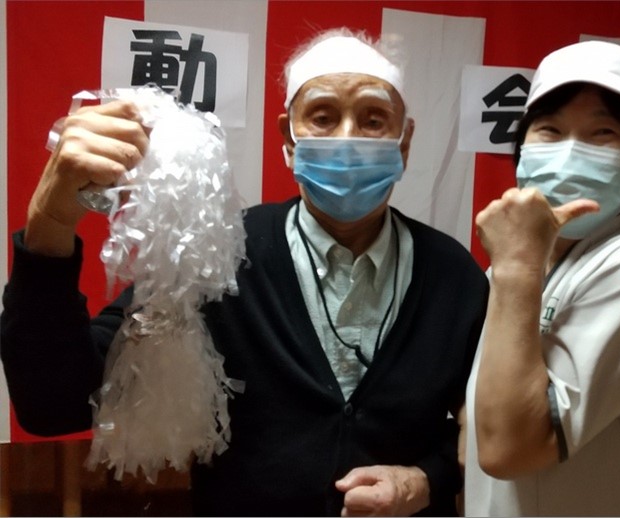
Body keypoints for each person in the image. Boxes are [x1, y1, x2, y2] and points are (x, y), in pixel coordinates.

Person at [1, 28, 489, 516]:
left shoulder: (452, 276)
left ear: (404, 143)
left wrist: (425, 480)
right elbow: (53, 402)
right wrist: (50, 220)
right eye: (322, 117)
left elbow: (490, 425)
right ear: (288, 139)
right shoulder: (219, 255)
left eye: (373, 120)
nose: (347, 138)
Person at [461, 40, 620, 516]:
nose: (570, 151)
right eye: (550, 130)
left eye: (603, 132)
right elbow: (483, 409)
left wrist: (515, 268)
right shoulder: (523, 262)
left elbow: (508, 449)